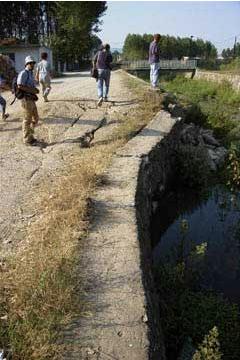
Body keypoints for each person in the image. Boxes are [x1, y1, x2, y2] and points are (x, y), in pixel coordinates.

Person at [17, 56, 40, 145]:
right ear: (27, 64)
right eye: (31, 63)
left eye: (33, 63)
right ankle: (27, 139)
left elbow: (30, 85)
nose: (33, 65)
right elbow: (20, 86)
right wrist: (33, 90)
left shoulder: (30, 73)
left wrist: (35, 90)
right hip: (26, 100)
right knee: (27, 120)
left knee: (36, 118)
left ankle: (30, 135)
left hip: (31, 99)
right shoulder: (23, 73)